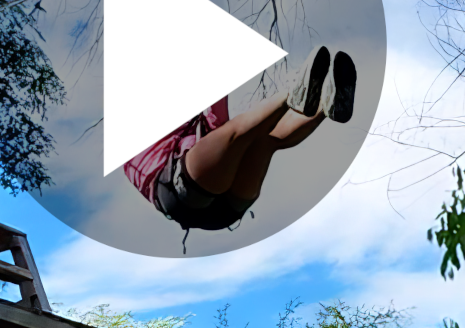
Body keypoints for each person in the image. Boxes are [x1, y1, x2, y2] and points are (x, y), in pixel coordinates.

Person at [123, 46, 356, 232]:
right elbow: (221, 125)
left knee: (263, 141)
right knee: (242, 134)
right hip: (178, 189)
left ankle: (326, 106)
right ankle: (293, 94)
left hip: (218, 209)